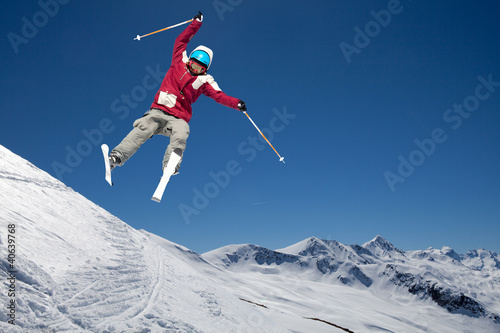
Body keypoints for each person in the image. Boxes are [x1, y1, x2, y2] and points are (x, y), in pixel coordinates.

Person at [108, 11, 246, 175]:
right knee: (144, 127)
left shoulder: (204, 81)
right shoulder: (179, 61)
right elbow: (181, 40)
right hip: (158, 111)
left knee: (182, 132)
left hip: (178, 118)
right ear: (190, 60)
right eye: (194, 65)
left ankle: (170, 166)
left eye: (200, 69)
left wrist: (236, 103)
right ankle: (117, 157)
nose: (195, 70)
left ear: (205, 70)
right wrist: (195, 24)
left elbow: (219, 96)